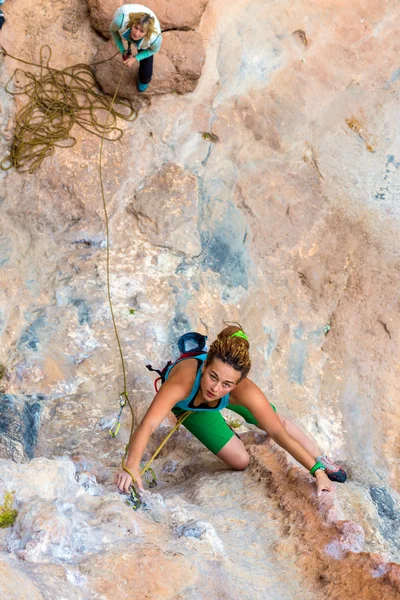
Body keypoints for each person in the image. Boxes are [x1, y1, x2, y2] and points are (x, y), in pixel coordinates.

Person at [115, 325, 347, 496]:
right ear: (205, 366)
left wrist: (317, 472)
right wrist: (132, 466)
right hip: (193, 409)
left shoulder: (244, 391)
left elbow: (278, 434)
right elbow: (149, 424)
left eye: (226, 384)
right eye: (213, 377)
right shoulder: (182, 383)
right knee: (240, 461)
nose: (215, 389)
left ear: (237, 384)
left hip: (230, 399)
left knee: (274, 421)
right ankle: (223, 425)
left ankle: (320, 457)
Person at [109, 4, 162, 93]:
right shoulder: (120, 21)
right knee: (131, 36)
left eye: (142, 31)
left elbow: (154, 50)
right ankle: (132, 35)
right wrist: (122, 50)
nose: (136, 33)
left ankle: (144, 79)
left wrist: (136, 58)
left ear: (147, 32)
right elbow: (113, 30)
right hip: (128, 14)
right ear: (132, 24)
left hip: (145, 41)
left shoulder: (154, 39)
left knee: (146, 75)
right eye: (135, 28)